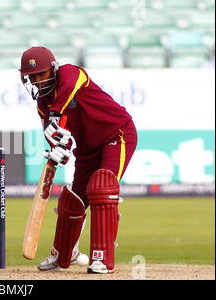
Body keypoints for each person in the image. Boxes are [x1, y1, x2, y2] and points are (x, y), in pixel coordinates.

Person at [20, 46, 137, 274]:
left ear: (53, 70)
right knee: (73, 200)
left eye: (41, 74)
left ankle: (102, 258)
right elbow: (59, 137)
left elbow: (65, 97)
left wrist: (54, 118)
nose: (37, 82)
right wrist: (58, 148)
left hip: (117, 134)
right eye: (32, 77)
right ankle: (64, 253)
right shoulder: (43, 103)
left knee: (103, 187)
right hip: (86, 149)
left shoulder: (71, 74)